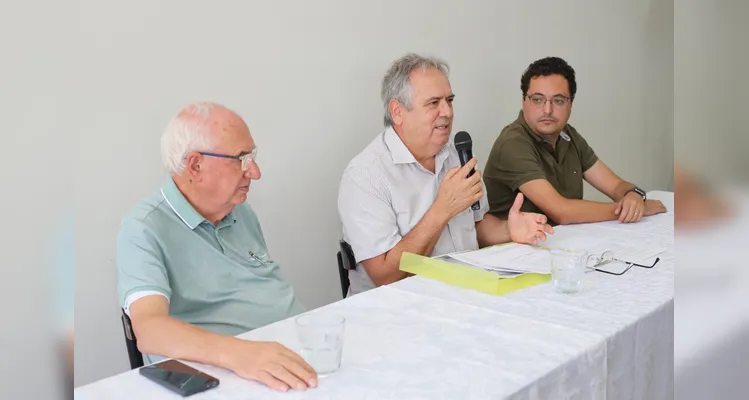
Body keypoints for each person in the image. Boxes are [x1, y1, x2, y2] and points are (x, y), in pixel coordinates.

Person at [116, 102, 317, 393]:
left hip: (291, 357)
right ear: (195, 165)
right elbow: (148, 330)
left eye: (253, 157)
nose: (255, 172)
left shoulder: (239, 210)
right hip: (232, 377)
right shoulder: (143, 228)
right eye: (241, 159)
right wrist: (241, 353)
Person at [337, 53, 554, 296]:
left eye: (449, 101)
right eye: (433, 103)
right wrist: (443, 208)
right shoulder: (365, 175)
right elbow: (386, 276)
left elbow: (477, 226)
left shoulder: (454, 154)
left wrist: (508, 230)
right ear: (397, 111)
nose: (447, 112)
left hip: (465, 296)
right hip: (395, 311)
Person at [483, 57, 667, 226]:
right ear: (524, 101)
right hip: (512, 253)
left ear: (571, 103)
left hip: (560, 243)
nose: (547, 110)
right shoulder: (513, 143)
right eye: (537, 100)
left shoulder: (567, 134)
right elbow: (561, 211)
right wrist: (628, 210)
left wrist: (633, 196)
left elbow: (615, 185)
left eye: (558, 101)